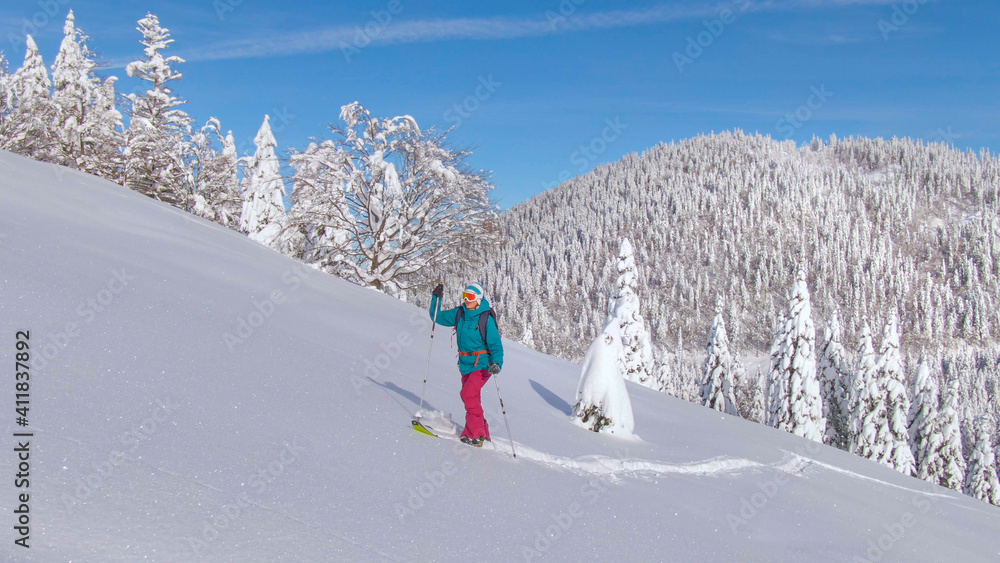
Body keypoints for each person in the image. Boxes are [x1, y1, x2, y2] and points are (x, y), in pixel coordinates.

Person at [430, 283, 503, 447]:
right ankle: (483, 432)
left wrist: (497, 363)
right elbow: (437, 317)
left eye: (470, 297)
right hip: (465, 364)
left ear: (478, 299)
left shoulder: (486, 319)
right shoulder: (460, 313)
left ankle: (475, 434)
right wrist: (436, 298)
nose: (466, 300)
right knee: (473, 397)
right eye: (465, 296)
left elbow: (496, 345)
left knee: (468, 394)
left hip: (484, 365)